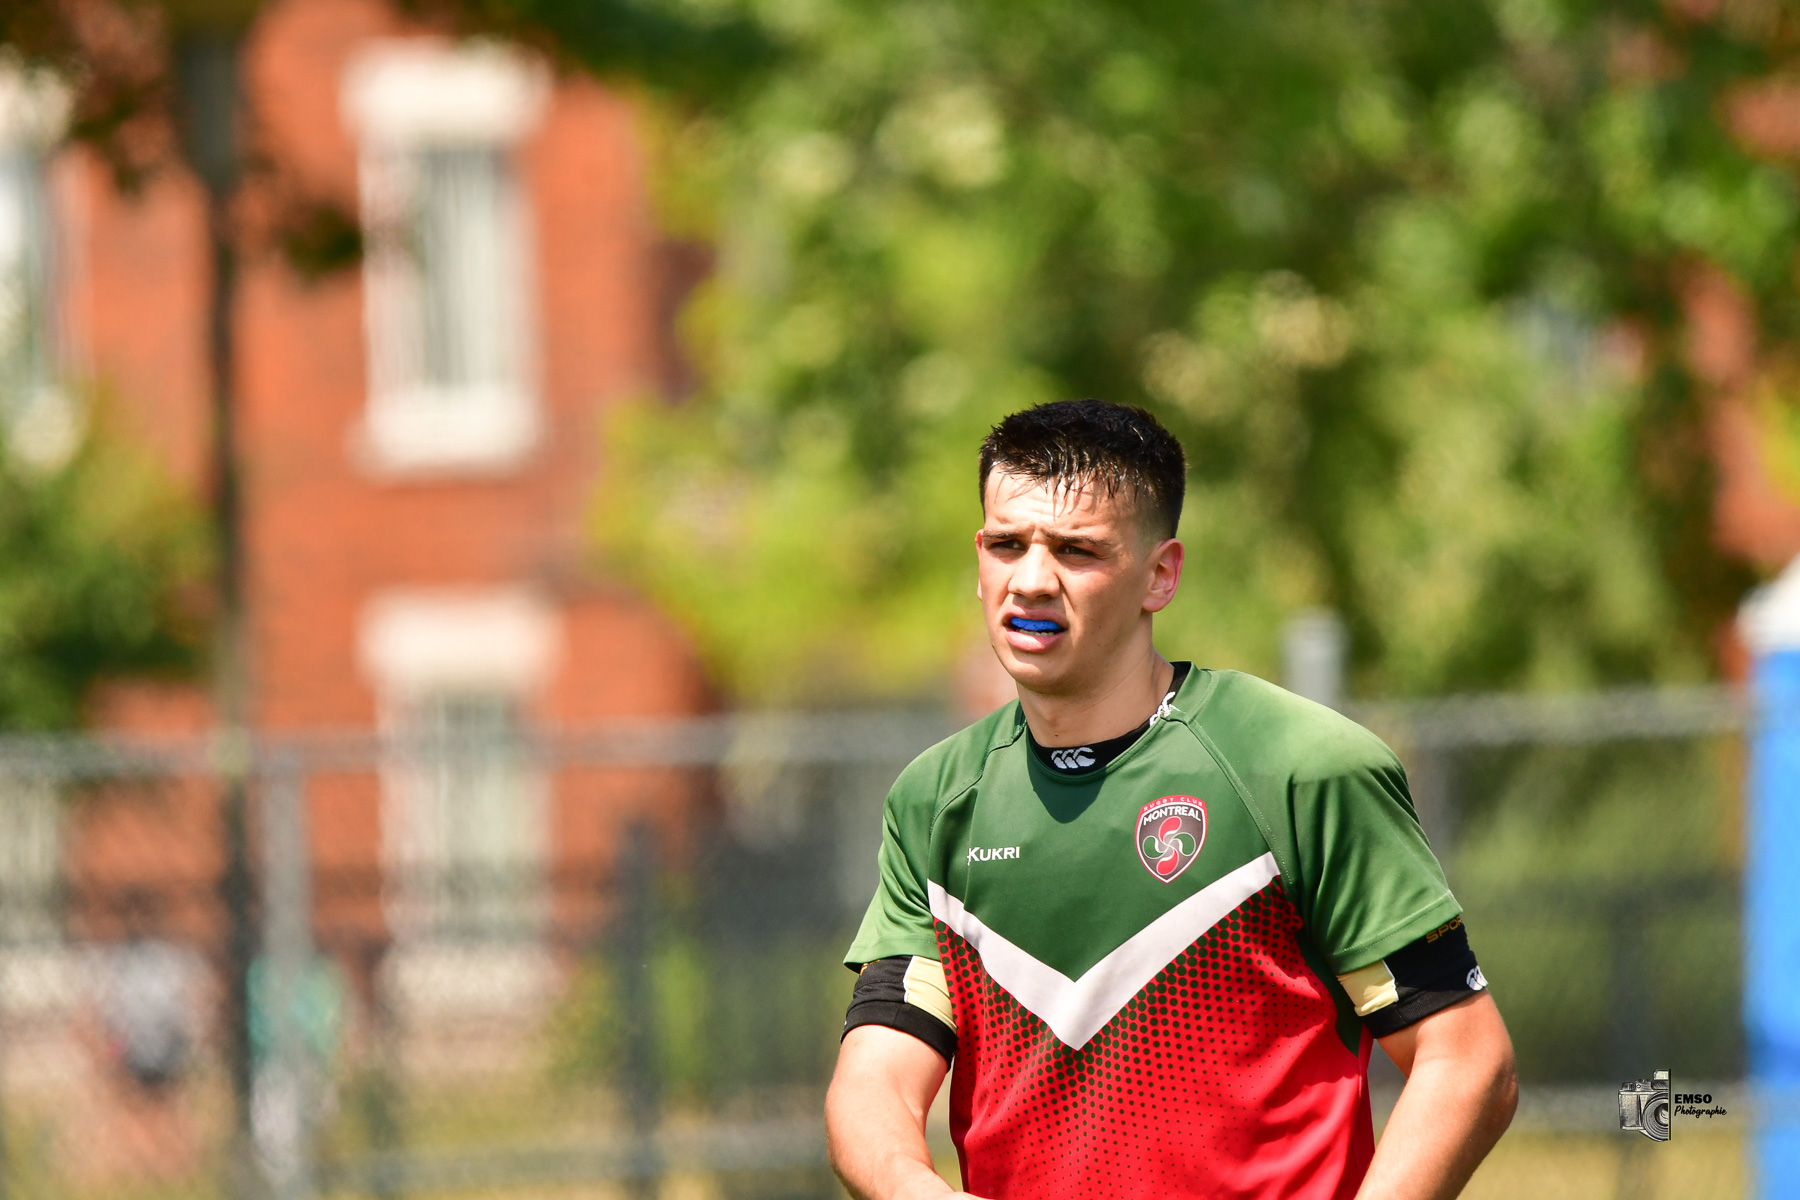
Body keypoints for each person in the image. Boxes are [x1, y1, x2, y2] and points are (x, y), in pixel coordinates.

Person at [826, 400, 1517, 1200]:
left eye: (1078, 551)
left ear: (1161, 574)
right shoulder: (934, 800)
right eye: (1008, 545)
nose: (1032, 579)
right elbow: (874, 1077)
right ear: (980, 557)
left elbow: (1469, 1063)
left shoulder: (1298, 766)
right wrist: (911, 1188)